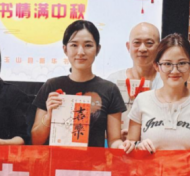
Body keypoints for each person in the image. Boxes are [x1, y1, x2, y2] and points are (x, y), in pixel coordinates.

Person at [32, 20, 126, 148]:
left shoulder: (110, 90)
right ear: (65, 49)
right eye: (74, 45)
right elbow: (36, 141)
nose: (81, 52)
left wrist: (122, 146)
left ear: (98, 49)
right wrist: (49, 117)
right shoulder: (51, 86)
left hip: (93, 161)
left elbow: (114, 140)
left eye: (88, 45)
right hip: (56, 160)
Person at [122, 33, 190, 154]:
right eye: (167, 64)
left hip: (189, 167)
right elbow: (131, 144)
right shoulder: (142, 100)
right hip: (149, 167)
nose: (175, 71)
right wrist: (138, 146)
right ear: (156, 66)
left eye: (182, 63)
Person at [106, 22, 163, 139]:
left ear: (159, 48)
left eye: (149, 43)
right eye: (137, 43)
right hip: (119, 147)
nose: (142, 49)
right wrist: (114, 135)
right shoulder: (113, 81)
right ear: (128, 47)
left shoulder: (166, 83)